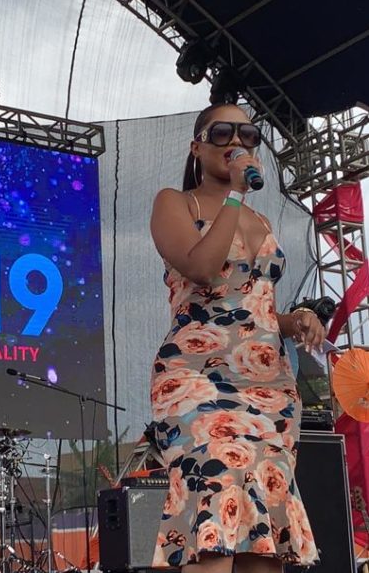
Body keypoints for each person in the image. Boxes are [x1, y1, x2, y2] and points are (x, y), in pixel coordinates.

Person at [149, 103, 325, 573]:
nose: (236, 142)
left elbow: (253, 308)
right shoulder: (175, 203)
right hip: (196, 379)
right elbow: (204, 270)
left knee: (261, 525)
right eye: (222, 132)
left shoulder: (260, 222)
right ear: (197, 146)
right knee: (216, 486)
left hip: (268, 386)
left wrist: (297, 319)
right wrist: (233, 195)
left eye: (248, 135)